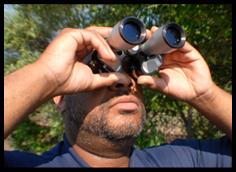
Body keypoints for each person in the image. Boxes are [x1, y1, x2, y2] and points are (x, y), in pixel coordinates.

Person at [4, 26, 232, 167]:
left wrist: (205, 94)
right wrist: (48, 75)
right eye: (101, 70)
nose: (124, 81)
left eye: (132, 69)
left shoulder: (184, 160)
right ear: (60, 98)